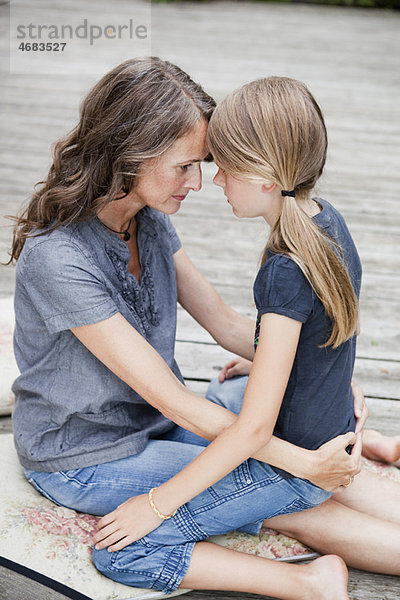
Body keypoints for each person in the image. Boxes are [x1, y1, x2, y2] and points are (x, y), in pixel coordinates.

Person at [8, 58, 399, 599]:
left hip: (160, 421)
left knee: (260, 413)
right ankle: (307, 580)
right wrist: (304, 463)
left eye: (207, 163)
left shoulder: (148, 217)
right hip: (93, 453)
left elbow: (222, 323)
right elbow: (176, 401)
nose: (199, 183)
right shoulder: (60, 261)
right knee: (288, 489)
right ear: (129, 155)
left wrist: (320, 369)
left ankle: (352, 451)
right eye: (186, 166)